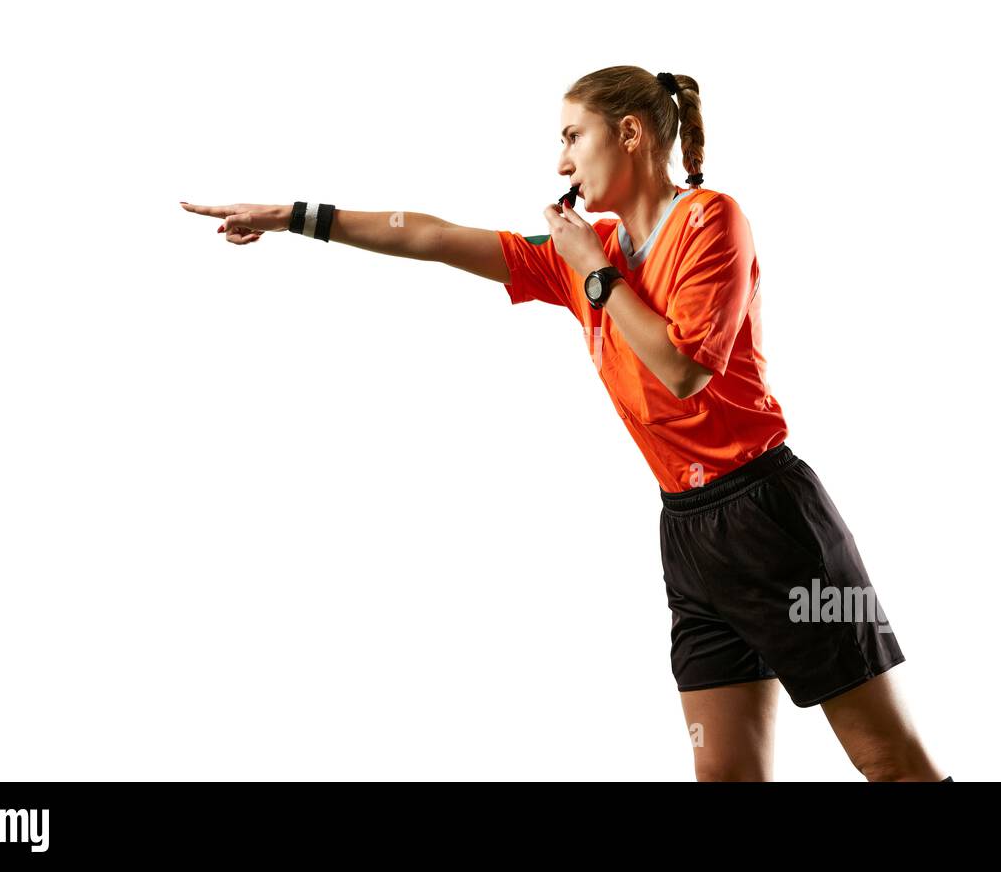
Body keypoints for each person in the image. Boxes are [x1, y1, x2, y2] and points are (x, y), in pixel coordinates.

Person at [179, 65, 951, 783]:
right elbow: (431, 235)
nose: (560, 163)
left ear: (630, 134)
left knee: (891, 761)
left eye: (570, 136)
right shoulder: (594, 251)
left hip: (774, 521)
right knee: (724, 774)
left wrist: (593, 272)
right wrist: (291, 216)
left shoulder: (711, 221)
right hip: (689, 532)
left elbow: (683, 372)